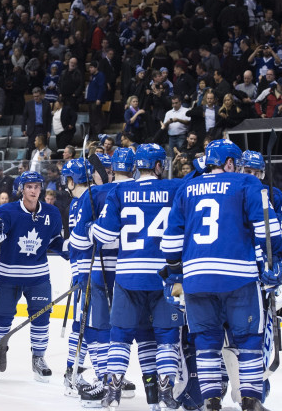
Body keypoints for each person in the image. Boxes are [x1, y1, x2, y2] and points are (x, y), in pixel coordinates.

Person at [161, 139, 282, 411]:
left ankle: (211, 402)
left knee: (206, 342)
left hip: (196, 278)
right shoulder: (246, 184)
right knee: (249, 339)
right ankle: (250, 401)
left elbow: (170, 243)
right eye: (237, 164)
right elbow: (268, 231)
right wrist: (275, 260)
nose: (240, 169)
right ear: (229, 163)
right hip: (238, 276)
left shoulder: (187, 187)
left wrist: (173, 273)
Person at [93, 144, 184, 410]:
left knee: (119, 334)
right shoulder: (173, 188)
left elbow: (104, 237)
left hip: (128, 275)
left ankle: (113, 392)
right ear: (158, 165)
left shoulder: (120, 190)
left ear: (136, 166)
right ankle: (167, 392)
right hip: (169, 276)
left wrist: (97, 224)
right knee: (169, 333)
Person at [70, 148, 142, 406]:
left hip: (100, 270)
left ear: (111, 170)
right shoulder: (144, 192)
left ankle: (104, 379)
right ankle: (126, 379)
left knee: (97, 326)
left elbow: (77, 240)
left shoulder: (96, 193)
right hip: (134, 270)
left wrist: (92, 230)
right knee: (127, 329)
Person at [0, 171, 65, 383]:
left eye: (37, 186)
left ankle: (38, 358)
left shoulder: (52, 213)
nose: (33, 190)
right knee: (1, 319)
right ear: (21, 189)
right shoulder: (7, 211)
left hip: (38, 278)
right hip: (8, 276)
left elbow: (56, 240)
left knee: (41, 318)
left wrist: (72, 252)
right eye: (29, 186)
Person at [59, 158, 95, 396]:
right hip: (86, 272)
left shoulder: (79, 202)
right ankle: (72, 374)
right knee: (82, 326)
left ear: (72, 180)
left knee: (88, 325)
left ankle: (88, 373)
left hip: (84, 270)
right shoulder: (83, 202)